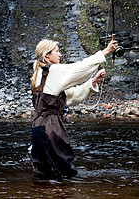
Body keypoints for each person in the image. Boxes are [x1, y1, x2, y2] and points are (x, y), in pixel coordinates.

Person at [29, 37, 118, 179]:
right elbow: (79, 68)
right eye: (57, 51)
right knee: (66, 172)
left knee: (43, 173)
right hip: (52, 129)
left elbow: (72, 96)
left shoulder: (40, 74)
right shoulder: (53, 71)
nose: (60, 55)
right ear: (47, 55)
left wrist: (93, 82)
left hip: (38, 128)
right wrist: (106, 52)